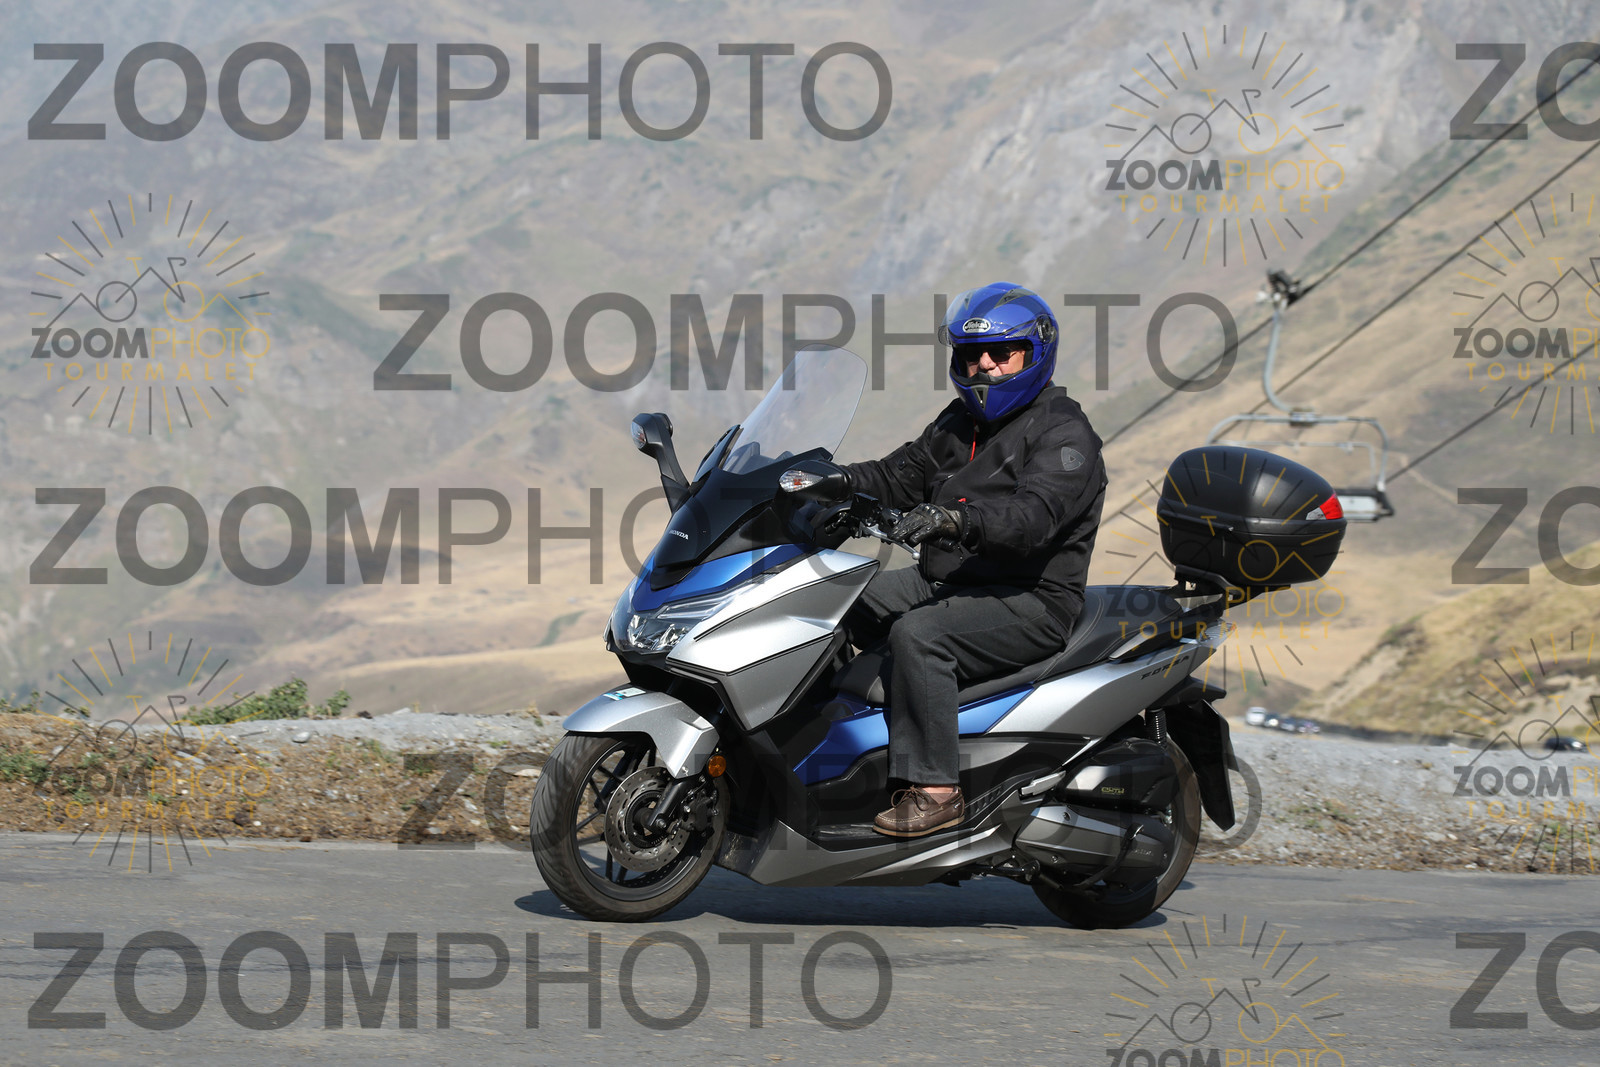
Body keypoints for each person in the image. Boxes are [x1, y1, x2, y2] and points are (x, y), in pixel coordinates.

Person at [839, 282, 1107, 837]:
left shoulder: (1064, 434)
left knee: (919, 635)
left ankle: (937, 792)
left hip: (1030, 598)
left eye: (1002, 353)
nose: (985, 364)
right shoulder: (959, 423)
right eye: (972, 353)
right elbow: (894, 476)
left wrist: (957, 520)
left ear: (1035, 354)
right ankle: (832, 751)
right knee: (835, 604)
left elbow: (1033, 518)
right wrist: (826, 478)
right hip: (953, 579)